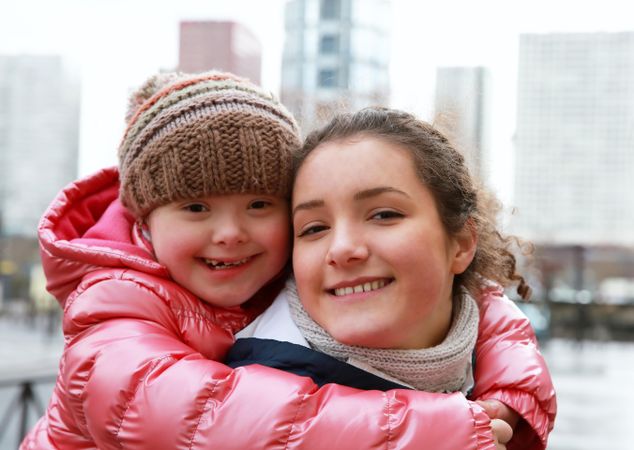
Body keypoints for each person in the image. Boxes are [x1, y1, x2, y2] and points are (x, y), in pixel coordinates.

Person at [22, 70, 553, 450]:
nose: (229, 234)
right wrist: (439, 428)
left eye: (259, 205)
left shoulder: (275, 271)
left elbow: (486, 309)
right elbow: (206, 416)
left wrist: (510, 398)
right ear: (145, 223)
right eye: (195, 207)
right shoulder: (114, 304)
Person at [228, 107, 557, 450]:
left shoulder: (498, 393)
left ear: (461, 244)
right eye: (314, 228)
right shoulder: (244, 407)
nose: (341, 249)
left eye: (383, 215)